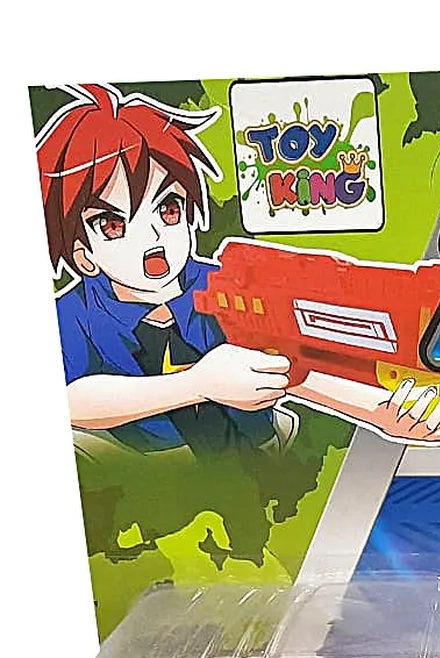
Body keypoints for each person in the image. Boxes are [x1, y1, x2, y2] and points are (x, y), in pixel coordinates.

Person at [37, 84, 291, 454]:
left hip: (259, 450)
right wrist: (196, 384)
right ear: (83, 255)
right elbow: (68, 399)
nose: (152, 236)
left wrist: (369, 406)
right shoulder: (73, 313)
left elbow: (289, 356)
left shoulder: (222, 283)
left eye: (168, 209)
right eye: (113, 224)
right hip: (146, 463)